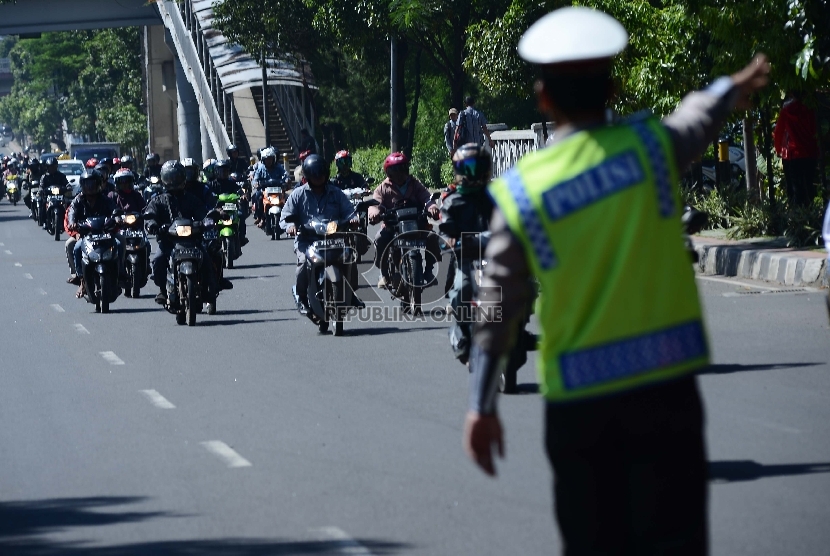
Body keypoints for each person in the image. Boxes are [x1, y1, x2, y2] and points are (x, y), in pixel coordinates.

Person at [461, 7, 770, 555]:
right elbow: (694, 118)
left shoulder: (524, 190)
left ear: (543, 98)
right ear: (617, 87)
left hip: (581, 407)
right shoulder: (649, 149)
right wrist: (729, 85)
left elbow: (497, 307)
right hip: (666, 392)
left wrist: (482, 406)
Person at [280, 154, 360, 313]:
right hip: (307, 240)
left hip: (334, 239)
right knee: (303, 264)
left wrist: (353, 219)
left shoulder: (336, 193)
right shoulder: (298, 194)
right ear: (308, 176)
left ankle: (351, 294)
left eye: (321, 174)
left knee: (350, 259)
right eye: (315, 175)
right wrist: (290, 226)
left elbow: (349, 211)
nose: (318, 178)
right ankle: (301, 296)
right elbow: (285, 216)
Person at [143, 160, 231, 306]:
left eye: (176, 178)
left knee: (208, 259)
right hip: (168, 241)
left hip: (192, 240)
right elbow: (150, 214)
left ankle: (210, 290)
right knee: (158, 260)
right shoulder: (158, 200)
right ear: (164, 180)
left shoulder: (191, 198)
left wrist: (211, 218)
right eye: (170, 178)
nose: (173, 182)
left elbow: (203, 212)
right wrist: (153, 225)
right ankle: (162, 291)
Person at [439, 143, 495, 363]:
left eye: (477, 167)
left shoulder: (496, 197)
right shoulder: (452, 201)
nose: (472, 173)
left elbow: (513, 220)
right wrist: (450, 240)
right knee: (462, 290)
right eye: (466, 167)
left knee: (523, 286)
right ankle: (461, 332)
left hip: (497, 257)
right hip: (467, 258)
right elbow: (445, 230)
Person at [368, 152, 441, 288]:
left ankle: (429, 270)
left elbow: (426, 198)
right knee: (379, 238)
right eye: (394, 171)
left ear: (406, 169)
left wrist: (432, 207)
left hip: (416, 224)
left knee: (432, 236)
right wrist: (375, 213)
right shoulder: (383, 188)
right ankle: (384, 273)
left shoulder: (415, 184)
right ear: (388, 172)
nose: (398, 174)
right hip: (393, 226)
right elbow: (375, 203)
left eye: (401, 169)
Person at [66, 170, 120, 296]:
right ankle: (81, 280)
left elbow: (115, 210)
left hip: (105, 234)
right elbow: (71, 214)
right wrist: (72, 222)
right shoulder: (78, 200)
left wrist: (117, 218)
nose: (90, 188)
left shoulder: (105, 199)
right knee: (75, 247)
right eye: (87, 184)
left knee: (120, 243)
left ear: (99, 184)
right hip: (86, 236)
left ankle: (119, 275)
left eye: (93, 184)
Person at [774, 91, 819, 207]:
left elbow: (778, 131)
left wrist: (778, 149)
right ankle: (812, 214)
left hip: (792, 154)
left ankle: (797, 218)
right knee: (810, 185)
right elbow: (814, 130)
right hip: (810, 153)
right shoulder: (810, 109)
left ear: (791, 95)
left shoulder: (786, 110)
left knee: (795, 190)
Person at [210, 159, 248, 245]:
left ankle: (241, 236)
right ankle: (211, 238)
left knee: (241, 215)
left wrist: (243, 195)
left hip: (231, 207)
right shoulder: (212, 184)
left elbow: (238, 190)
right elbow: (208, 193)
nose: (223, 173)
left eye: (225, 171)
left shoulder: (231, 182)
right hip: (217, 208)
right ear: (216, 172)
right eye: (221, 171)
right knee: (210, 221)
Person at [252, 147, 288, 225]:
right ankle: (261, 217)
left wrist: (287, 180)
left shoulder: (278, 167)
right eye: (267, 159)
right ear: (263, 160)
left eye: (270, 159)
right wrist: (256, 184)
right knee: (258, 197)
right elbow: (255, 179)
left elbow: (285, 175)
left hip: (278, 190)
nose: (269, 161)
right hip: (265, 190)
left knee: (287, 198)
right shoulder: (261, 168)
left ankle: (287, 217)